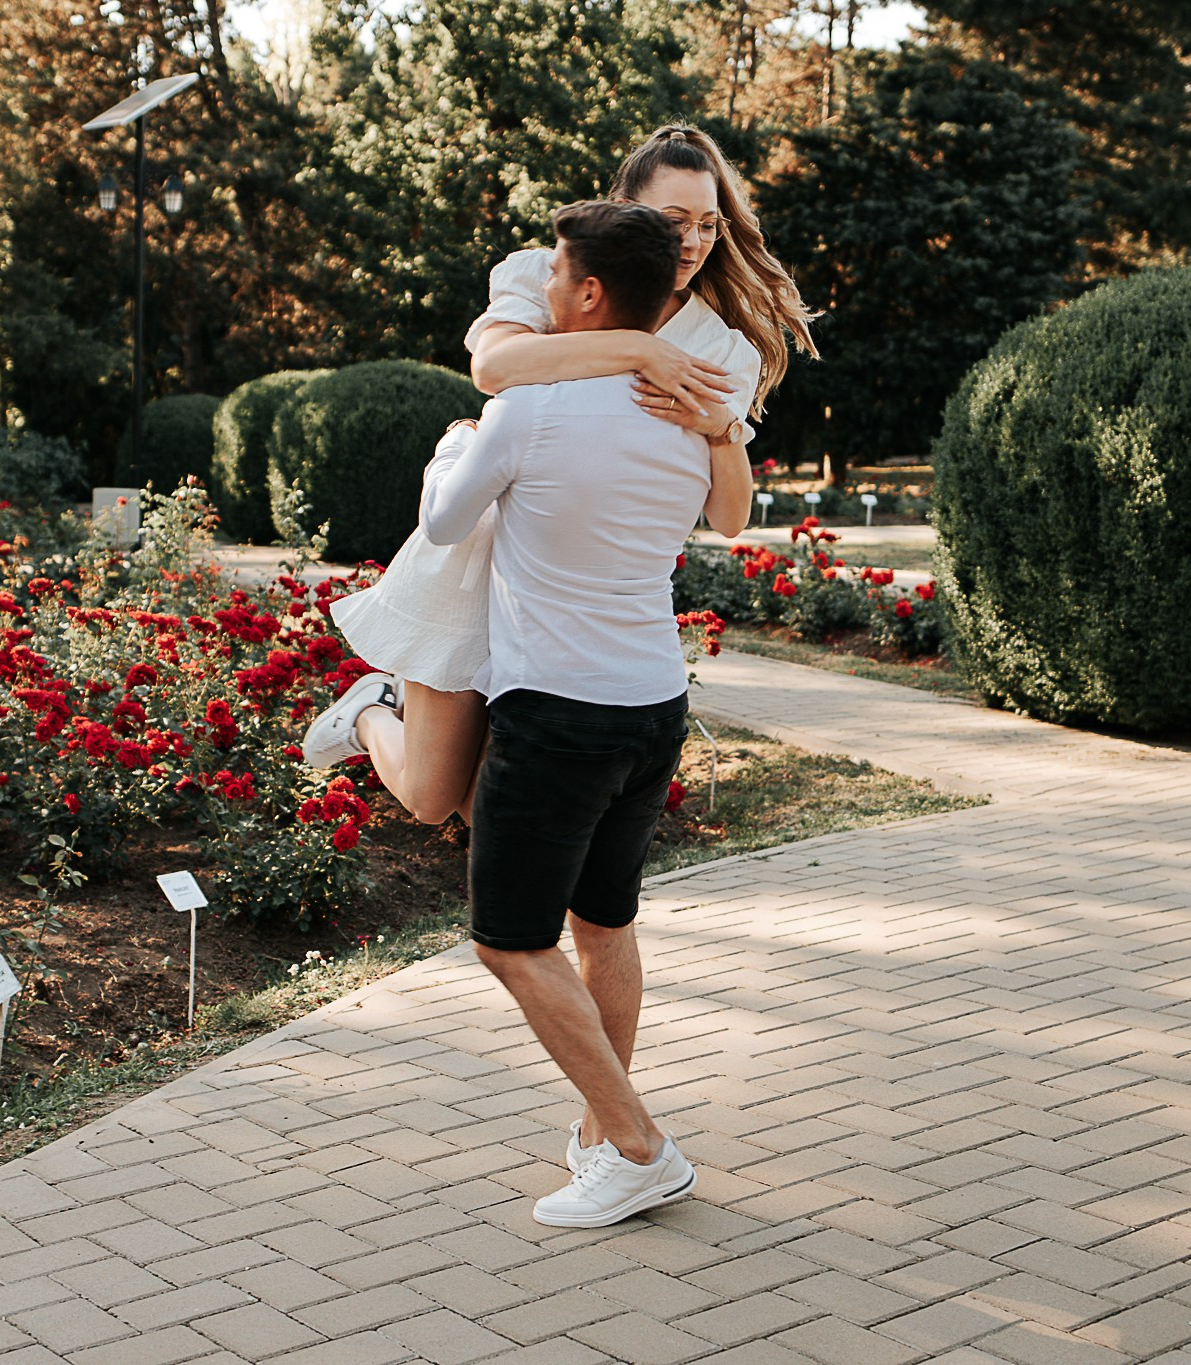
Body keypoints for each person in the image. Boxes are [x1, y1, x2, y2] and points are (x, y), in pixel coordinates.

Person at [308, 126, 817, 837]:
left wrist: (720, 426)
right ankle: (368, 711)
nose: (695, 242)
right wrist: (640, 346)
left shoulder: (720, 344)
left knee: (500, 820)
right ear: (627, 215)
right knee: (430, 795)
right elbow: (494, 369)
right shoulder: (544, 275)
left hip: (568, 601)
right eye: (674, 223)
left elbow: (727, 515)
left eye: (709, 224)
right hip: (477, 559)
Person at [419, 198, 711, 1225]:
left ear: (589, 292)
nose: (541, 292)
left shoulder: (527, 411)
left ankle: (635, 1144)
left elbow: (444, 520)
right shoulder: (683, 418)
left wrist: (455, 446)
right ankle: (602, 1135)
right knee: (604, 921)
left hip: (558, 715)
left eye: (551, 275)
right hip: (650, 705)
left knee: (509, 938)